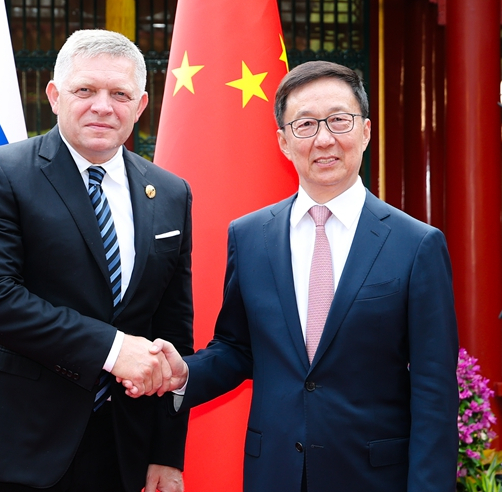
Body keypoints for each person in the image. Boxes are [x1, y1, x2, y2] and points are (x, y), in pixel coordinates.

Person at [130, 61, 459, 492]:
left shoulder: (416, 244)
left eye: (339, 120)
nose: (324, 139)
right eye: (305, 124)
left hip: (375, 477)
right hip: (275, 473)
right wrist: (185, 374)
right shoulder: (250, 236)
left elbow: (435, 390)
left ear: (365, 131)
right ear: (284, 141)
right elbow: (237, 348)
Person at [0, 29, 193, 492]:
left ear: (141, 105)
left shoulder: (171, 192)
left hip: (124, 450)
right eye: (85, 90)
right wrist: (114, 349)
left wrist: (165, 452)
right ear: (55, 96)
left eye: (120, 94)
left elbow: (172, 331)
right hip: (19, 445)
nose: (103, 106)